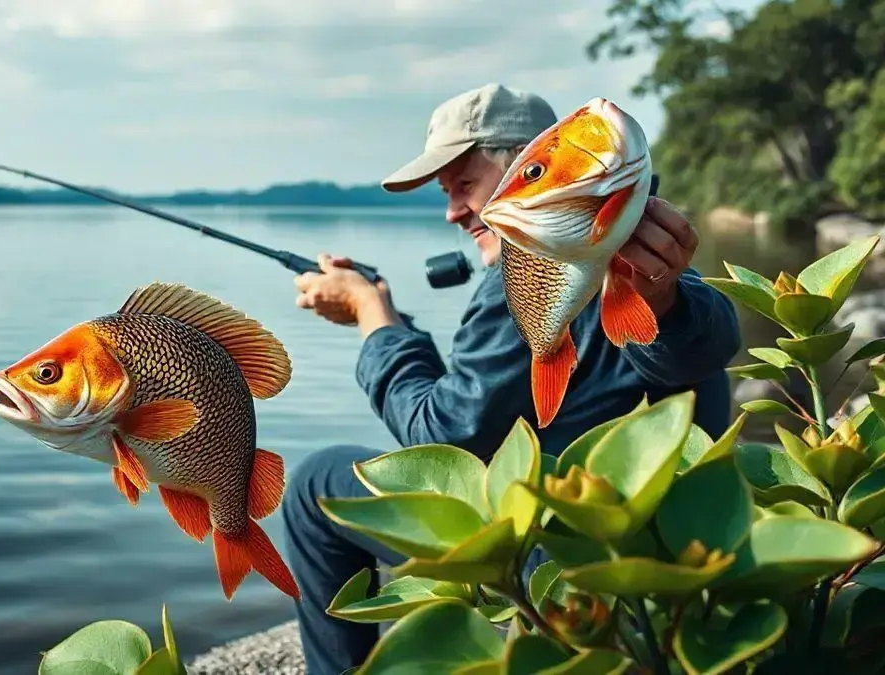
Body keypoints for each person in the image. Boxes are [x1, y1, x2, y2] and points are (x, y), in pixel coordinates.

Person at [281, 83, 742, 674]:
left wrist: (373, 322)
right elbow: (691, 343)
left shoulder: (567, 264)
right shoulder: (622, 246)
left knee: (316, 482)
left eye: (465, 185)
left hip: (553, 557)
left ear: (528, 165)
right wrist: (392, 320)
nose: (452, 212)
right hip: (662, 544)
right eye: (446, 194)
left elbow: (441, 435)